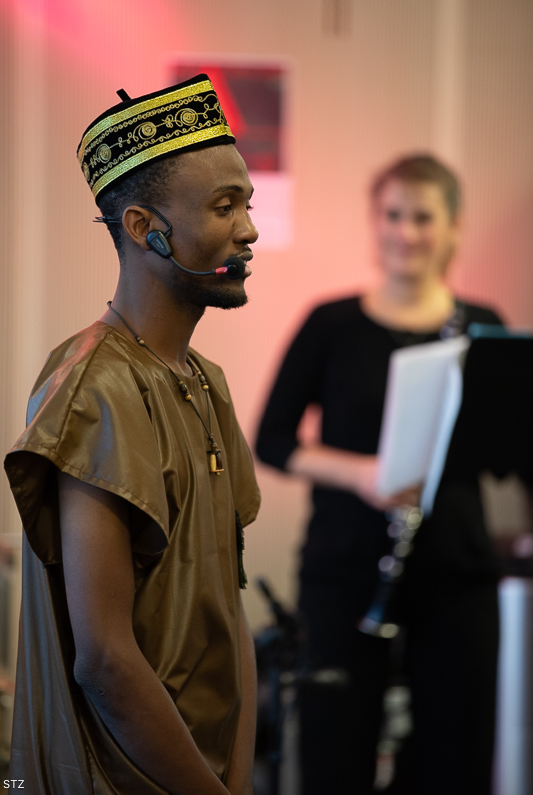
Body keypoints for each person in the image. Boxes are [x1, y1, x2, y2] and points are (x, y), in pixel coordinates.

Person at [4, 74, 261, 795]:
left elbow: (228, 609)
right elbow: (106, 661)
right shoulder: (96, 386)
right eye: (224, 206)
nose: (248, 230)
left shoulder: (206, 382)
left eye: (248, 205)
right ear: (147, 228)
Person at [255, 155, 503, 795]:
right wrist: (365, 474)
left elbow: (510, 452)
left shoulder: (484, 328)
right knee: (335, 756)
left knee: (456, 758)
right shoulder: (331, 323)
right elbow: (272, 441)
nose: (405, 232)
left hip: (456, 575)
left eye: (423, 217)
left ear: (453, 228)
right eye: (392, 215)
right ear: (374, 221)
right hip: (344, 574)